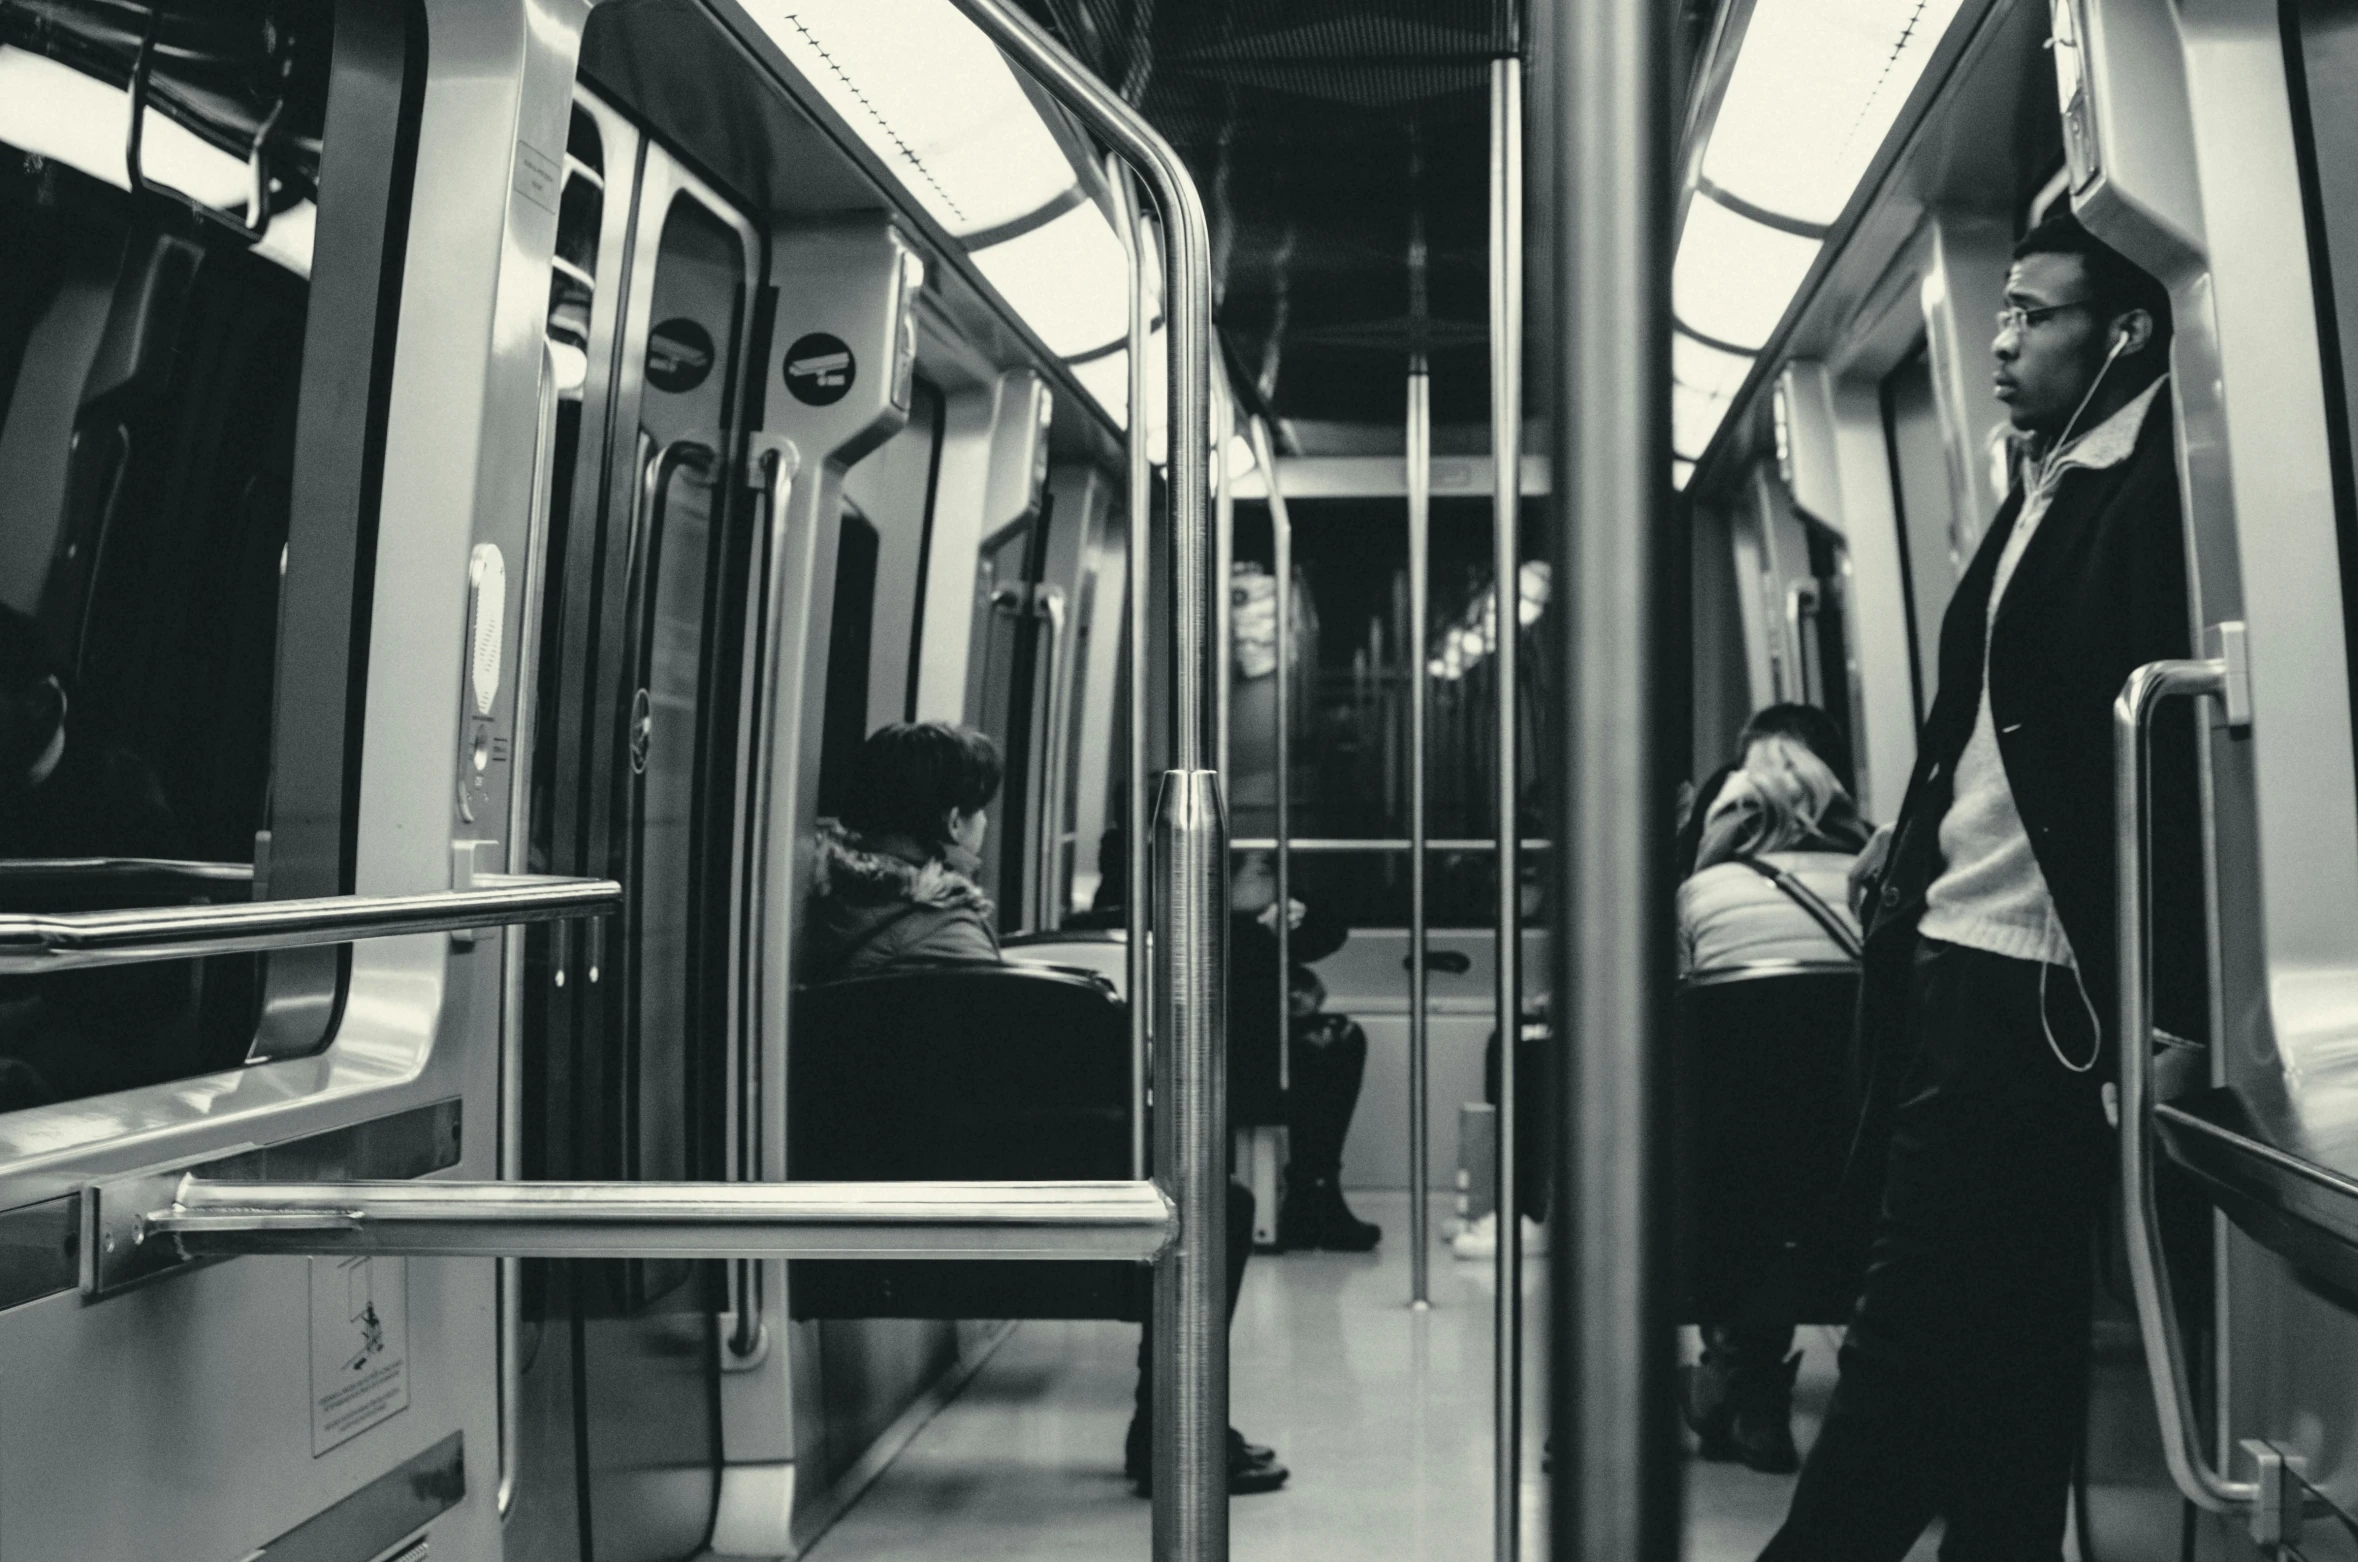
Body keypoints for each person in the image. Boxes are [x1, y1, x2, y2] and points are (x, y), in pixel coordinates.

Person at [1758, 212, 2200, 1558]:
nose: (2001, 342)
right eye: (1995, 313)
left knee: (1907, 1327)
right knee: (2009, 1342)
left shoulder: (2147, 490)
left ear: (2121, 332)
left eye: (2032, 315)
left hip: (2033, 978)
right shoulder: (2043, 483)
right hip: (1960, 950)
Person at [807, 723, 1288, 1497]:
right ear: (955, 822)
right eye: (982, 810)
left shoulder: (834, 910)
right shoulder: (941, 932)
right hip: (946, 1176)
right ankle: (1170, 1429)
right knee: (1211, 1202)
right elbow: (996, 1077)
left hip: (870, 1155)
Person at [1675, 725, 1869, 1474]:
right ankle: (1752, 1394)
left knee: (1744, 1173)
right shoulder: (1876, 886)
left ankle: (1742, 1386)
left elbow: (1674, 1024)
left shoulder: (1701, 895)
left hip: (1729, 1170)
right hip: (1854, 1163)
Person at [1226, 849, 1380, 1251]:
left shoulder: (1267, 913)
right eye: (1260, 870)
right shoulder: (1185, 911)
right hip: (1217, 1052)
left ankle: (1314, 1187)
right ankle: (1313, 1191)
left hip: (1251, 1046)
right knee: (1329, 1044)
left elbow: (1330, 933)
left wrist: (1296, 918)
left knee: (1337, 1038)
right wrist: (1267, 941)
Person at [806, 722, 1003, 980]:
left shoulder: (828, 891)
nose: (984, 821)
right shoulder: (948, 935)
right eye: (980, 808)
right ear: (954, 822)